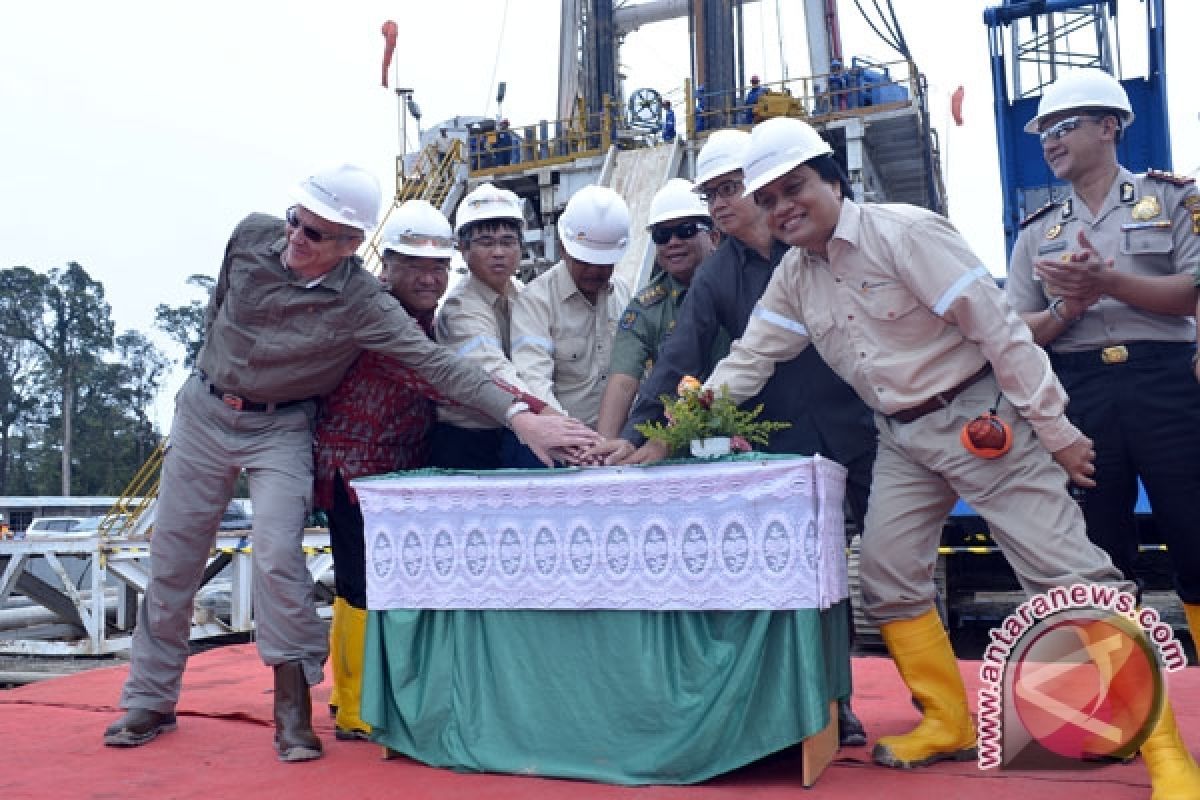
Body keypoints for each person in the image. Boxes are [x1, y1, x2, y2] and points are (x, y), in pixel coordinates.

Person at [703, 116, 1200, 793]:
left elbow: (1002, 333)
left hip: (979, 421)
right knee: (884, 577)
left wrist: (1055, 431)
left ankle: (1166, 750)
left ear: (832, 180)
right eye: (768, 200)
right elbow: (750, 358)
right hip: (902, 438)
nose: (783, 207)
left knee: (1070, 582)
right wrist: (676, 427)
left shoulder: (903, 234)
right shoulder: (795, 277)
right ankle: (948, 720)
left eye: (795, 188)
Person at [101, 164, 599, 762]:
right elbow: (220, 309)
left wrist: (521, 417)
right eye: (297, 221)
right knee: (173, 559)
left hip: (282, 425)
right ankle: (150, 699)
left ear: (350, 246)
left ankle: (292, 710)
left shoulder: (365, 304)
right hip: (205, 412)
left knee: (282, 560)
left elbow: (435, 365)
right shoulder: (250, 236)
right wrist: (220, 373)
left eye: (315, 233)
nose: (296, 237)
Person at [589, 129, 877, 746]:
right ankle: (826, 703)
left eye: (730, 188)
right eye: (712, 192)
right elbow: (678, 355)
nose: (719, 203)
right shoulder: (719, 273)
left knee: (886, 566)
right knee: (802, 574)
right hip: (784, 445)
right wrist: (641, 433)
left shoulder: (818, 242)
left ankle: (908, 706)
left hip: (862, 425)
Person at [1007, 68, 1200, 645]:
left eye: (1064, 126)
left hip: (1167, 384)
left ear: (1110, 127)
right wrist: (1069, 308)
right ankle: (1124, 696)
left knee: (1194, 530)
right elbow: (1018, 329)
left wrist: (1106, 281)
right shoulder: (1037, 233)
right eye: (1043, 133)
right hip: (1081, 393)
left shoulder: (1175, 198)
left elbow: (1192, 290)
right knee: (1099, 544)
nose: (1050, 142)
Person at [314, 200, 455, 742]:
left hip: (384, 474)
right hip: (354, 470)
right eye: (415, 264)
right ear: (387, 266)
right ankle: (354, 705)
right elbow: (441, 380)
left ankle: (351, 696)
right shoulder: (380, 315)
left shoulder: (420, 318)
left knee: (362, 583)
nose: (429, 276)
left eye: (439, 265)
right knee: (363, 585)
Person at [596, 178, 723, 438]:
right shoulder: (646, 309)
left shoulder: (740, 283)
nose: (672, 242)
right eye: (662, 236)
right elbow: (622, 382)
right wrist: (604, 453)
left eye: (685, 231)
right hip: (675, 433)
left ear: (714, 237)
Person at [510, 185, 632, 439]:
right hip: (560, 445)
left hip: (620, 442)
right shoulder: (536, 301)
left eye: (603, 264)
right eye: (584, 261)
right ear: (563, 248)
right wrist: (574, 438)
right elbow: (533, 379)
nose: (594, 271)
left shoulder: (622, 294)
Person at [431, 183, 531, 469]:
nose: (499, 252)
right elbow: (497, 372)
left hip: (513, 428)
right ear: (463, 249)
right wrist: (554, 416)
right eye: (486, 242)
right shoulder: (459, 308)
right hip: (468, 439)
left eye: (508, 241)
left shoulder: (521, 293)